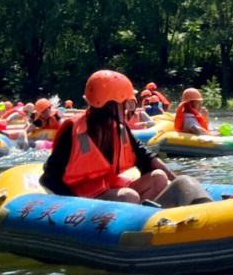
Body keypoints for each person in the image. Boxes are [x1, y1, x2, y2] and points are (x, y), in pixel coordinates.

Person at [42, 70, 210, 206]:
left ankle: (156, 219)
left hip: (109, 189)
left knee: (158, 176)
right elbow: (49, 178)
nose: (129, 109)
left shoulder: (120, 129)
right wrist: (77, 207)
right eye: (126, 103)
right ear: (110, 105)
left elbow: (146, 158)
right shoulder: (73, 130)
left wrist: (176, 181)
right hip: (80, 198)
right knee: (128, 196)